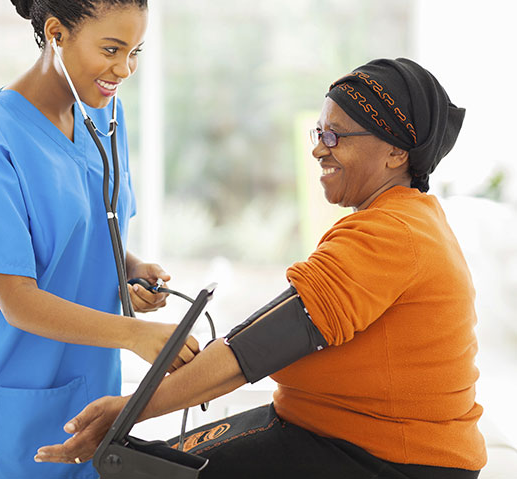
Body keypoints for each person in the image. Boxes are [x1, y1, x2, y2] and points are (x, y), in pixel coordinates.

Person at [35, 58, 487, 478]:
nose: (318, 151)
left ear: (395, 153)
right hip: (333, 430)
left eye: (336, 137)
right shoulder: (402, 219)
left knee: (137, 468)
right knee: (151, 460)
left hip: (384, 457)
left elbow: (252, 351)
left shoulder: (392, 234)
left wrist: (128, 408)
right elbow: (262, 334)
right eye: (319, 133)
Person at [0, 0, 200, 478]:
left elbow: (96, 234)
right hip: (3, 412)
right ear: (56, 33)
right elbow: (18, 301)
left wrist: (131, 270)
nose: (124, 70)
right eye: (111, 50)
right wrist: (135, 335)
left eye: (135, 52)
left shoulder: (100, 114)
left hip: (88, 394)